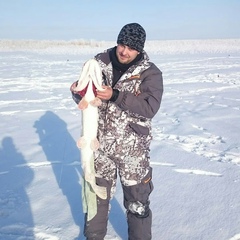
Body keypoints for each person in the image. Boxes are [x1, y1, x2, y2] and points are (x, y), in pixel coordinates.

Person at [70, 23, 163, 240]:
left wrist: (116, 95)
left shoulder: (150, 73)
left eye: (131, 47)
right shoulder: (99, 63)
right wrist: (77, 92)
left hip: (133, 152)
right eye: (122, 44)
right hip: (100, 148)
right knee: (95, 199)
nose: (124, 51)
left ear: (139, 49)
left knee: (138, 204)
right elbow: (86, 95)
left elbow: (149, 108)